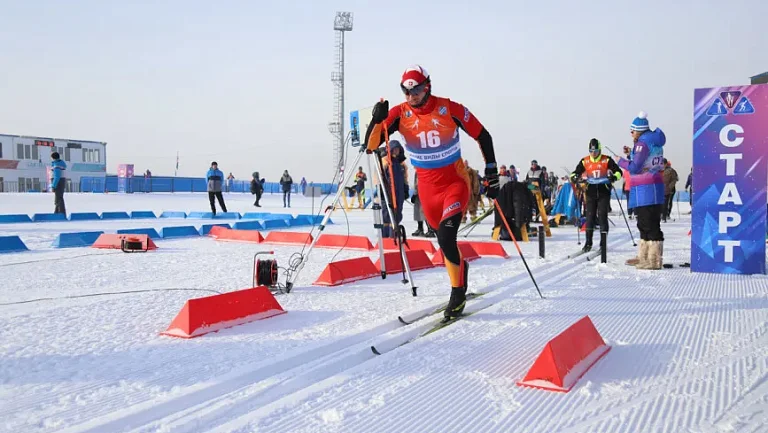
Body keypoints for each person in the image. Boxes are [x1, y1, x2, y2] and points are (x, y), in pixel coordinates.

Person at [364, 64, 499, 322]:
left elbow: (483, 136)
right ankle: (460, 270)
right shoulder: (399, 114)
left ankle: (457, 293)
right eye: (406, 92)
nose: (411, 97)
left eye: (416, 91)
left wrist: (491, 171)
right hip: (427, 189)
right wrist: (376, 120)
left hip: (454, 183)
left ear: (428, 86)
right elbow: (371, 146)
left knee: (448, 237)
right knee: (443, 241)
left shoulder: (450, 108)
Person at [618, 111, 666, 270]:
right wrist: (630, 154)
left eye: (632, 131)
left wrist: (621, 161)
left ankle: (653, 260)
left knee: (649, 223)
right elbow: (645, 161)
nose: (631, 134)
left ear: (638, 130)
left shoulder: (642, 144)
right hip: (651, 187)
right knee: (644, 222)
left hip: (646, 189)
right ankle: (643, 256)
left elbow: (635, 167)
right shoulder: (652, 141)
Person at [570, 139, 622, 252]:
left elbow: (619, 172)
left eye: (596, 150)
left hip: (604, 191)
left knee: (602, 216)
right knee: (590, 217)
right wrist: (574, 177)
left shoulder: (606, 159)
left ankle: (603, 243)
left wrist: (614, 177)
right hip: (590, 192)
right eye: (591, 151)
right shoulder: (585, 161)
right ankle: (588, 243)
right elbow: (575, 172)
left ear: (599, 149)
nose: (593, 153)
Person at [380, 142, 407, 237]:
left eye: (398, 149)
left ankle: (394, 236)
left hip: (399, 193)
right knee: (387, 214)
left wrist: (406, 189)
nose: (396, 151)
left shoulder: (401, 164)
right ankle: (386, 235)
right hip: (388, 192)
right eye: (394, 149)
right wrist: (380, 189)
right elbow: (378, 176)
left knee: (397, 214)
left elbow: (405, 178)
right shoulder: (385, 161)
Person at [463, 159, 480, 224]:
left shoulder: (472, 172)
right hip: (463, 191)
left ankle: (473, 216)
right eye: (464, 163)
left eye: (466, 163)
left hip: (471, 191)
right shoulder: (460, 171)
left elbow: (476, 181)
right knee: (463, 205)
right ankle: (463, 217)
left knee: (472, 205)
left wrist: (476, 190)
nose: (465, 164)